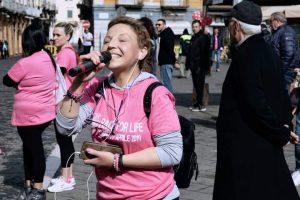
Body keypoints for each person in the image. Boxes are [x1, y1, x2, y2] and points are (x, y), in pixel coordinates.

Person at [55, 16, 183, 200]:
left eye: (122, 40)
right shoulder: (98, 88)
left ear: (142, 52)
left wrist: (117, 161)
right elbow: (64, 127)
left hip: (154, 195)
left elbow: (172, 152)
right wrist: (78, 85)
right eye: (107, 40)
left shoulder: (155, 93)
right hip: (107, 195)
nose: (111, 45)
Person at [213, 1, 300, 200]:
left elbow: (256, 101)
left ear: (235, 26)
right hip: (265, 140)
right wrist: (285, 125)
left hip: (246, 146)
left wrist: (281, 131)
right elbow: (281, 94)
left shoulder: (246, 55)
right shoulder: (268, 50)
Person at [2, 20, 56, 200]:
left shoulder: (25, 63)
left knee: (35, 149)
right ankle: (28, 182)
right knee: (29, 147)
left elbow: (7, 80)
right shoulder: (48, 57)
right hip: (45, 112)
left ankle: (38, 189)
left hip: (28, 114)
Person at [47, 22, 78, 193]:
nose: (54, 38)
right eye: (54, 34)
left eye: (58, 35)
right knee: (64, 140)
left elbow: (57, 75)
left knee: (64, 140)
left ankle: (67, 179)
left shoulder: (65, 53)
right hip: (65, 99)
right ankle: (68, 176)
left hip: (63, 100)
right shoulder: (66, 51)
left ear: (67, 36)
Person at [270, 12, 298, 90]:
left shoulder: (286, 31)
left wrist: (280, 70)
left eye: (271, 21)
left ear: (277, 21)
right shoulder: (280, 31)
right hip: (283, 72)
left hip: (285, 73)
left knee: (283, 98)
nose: (270, 24)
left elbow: (289, 54)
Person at [187, 20, 211, 112]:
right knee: (196, 86)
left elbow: (204, 53)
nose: (194, 28)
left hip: (200, 66)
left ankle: (201, 105)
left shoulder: (203, 37)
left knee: (200, 85)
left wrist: (201, 66)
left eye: (196, 26)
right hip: (194, 65)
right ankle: (197, 103)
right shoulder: (194, 37)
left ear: (200, 27)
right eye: (193, 26)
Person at [156, 18, 176, 92]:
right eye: (156, 24)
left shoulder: (166, 34)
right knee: (166, 83)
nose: (157, 26)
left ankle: (169, 102)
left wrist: (174, 61)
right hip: (165, 62)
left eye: (159, 25)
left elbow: (170, 49)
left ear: (164, 25)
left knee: (166, 84)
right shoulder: (164, 34)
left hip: (166, 63)